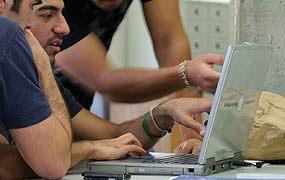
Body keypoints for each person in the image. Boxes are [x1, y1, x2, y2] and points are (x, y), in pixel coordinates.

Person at [0, 0, 212, 178]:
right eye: (45, 15)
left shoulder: (39, 77)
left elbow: (113, 136)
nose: (64, 28)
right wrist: (88, 149)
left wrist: (164, 112)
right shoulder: (8, 43)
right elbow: (11, 163)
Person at [55, 0, 225, 142]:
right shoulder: (54, 11)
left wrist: (193, 137)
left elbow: (170, 42)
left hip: (69, 119)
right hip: (43, 118)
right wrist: (186, 74)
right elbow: (106, 82)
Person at [0, 0, 72, 179]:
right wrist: (42, 63)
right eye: (31, 6)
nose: (28, 24)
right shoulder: (6, 33)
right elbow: (54, 163)